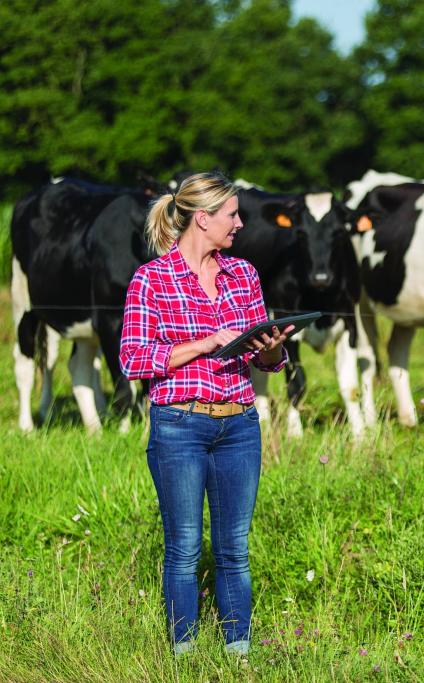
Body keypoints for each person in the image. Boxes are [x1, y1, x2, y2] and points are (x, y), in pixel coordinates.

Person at [119, 171, 293, 656]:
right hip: (179, 424)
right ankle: (184, 653)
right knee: (185, 549)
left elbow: (269, 364)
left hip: (239, 421)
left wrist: (271, 349)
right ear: (203, 218)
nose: (239, 224)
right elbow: (133, 359)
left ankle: (239, 651)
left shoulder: (245, 275)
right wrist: (202, 344)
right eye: (232, 215)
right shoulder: (151, 280)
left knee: (234, 548)